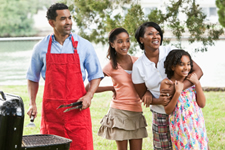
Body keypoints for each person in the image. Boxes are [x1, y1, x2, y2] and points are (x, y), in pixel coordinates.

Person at [26, 3, 104, 150]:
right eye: (63, 19)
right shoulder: (41, 47)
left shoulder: (84, 45)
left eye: (69, 18)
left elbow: (96, 75)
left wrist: (89, 96)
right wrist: (32, 103)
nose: (68, 22)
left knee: (80, 146)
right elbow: (32, 77)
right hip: (52, 112)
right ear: (51, 22)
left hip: (77, 111)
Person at [132, 22, 203, 150]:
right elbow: (143, 95)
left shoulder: (170, 51)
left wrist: (178, 88)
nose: (156, 36)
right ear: (141, 39)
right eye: (150, 33)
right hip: (160, 114)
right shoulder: (138, 66)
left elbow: (198, 72)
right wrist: (156, 99)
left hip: (183, 111)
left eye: (158, 33)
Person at [93, 28, 148, 150]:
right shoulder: (110, 66)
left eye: (127, 40)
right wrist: (111, 88)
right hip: (119, 113)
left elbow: (149, 81)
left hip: (136, 112)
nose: (125, 45)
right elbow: (90, 87)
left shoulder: (138, 61)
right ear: (112, 44)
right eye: (120, 41)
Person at [161, 49, 208, 149]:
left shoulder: (191, 81)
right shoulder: (167, 83)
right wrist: (177, 92)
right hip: (180, 127)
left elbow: (202, 104)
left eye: (188, 64)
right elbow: (168, 110)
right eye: (182, 64)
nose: (186, 68)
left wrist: (197, 83)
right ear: (173, 66)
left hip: (196, 124)